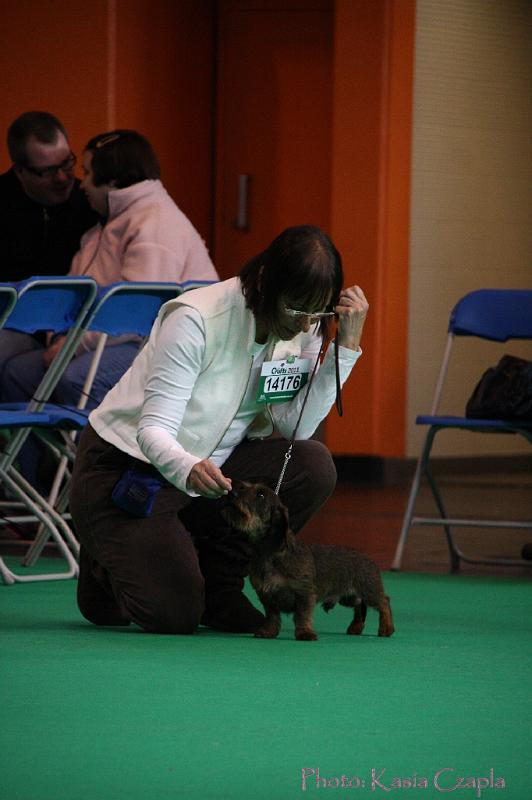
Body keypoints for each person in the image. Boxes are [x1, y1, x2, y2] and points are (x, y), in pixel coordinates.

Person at [69, 224, 369, 635]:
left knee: (311, 465)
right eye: (298, 311)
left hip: (211, 471)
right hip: (126, 471)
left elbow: (293, 426)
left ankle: (220, 582)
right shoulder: (195, 319)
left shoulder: (306, 324)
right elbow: (153, 430)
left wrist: (345, 348)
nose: (305, 327)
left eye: (317, 314)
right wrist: (189, 466)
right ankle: (103, 560)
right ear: (265, 282)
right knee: (174, 614)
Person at [0, 129, 218, 487]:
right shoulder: (105, 226)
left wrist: (68, 347)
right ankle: (35, 485)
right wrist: (62, 342)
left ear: (113, 182)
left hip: (160, 351)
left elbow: (135, 319)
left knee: (74, 378)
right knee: (15, 372)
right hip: (103, 345)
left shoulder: (154, 225)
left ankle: (96, 486)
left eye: (87, 172)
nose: (80, 183)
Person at [0, 111, 98, 283]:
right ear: (20, 172)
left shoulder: (90, 202)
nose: (61, 177)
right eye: (48, 171)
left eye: (66, 163)